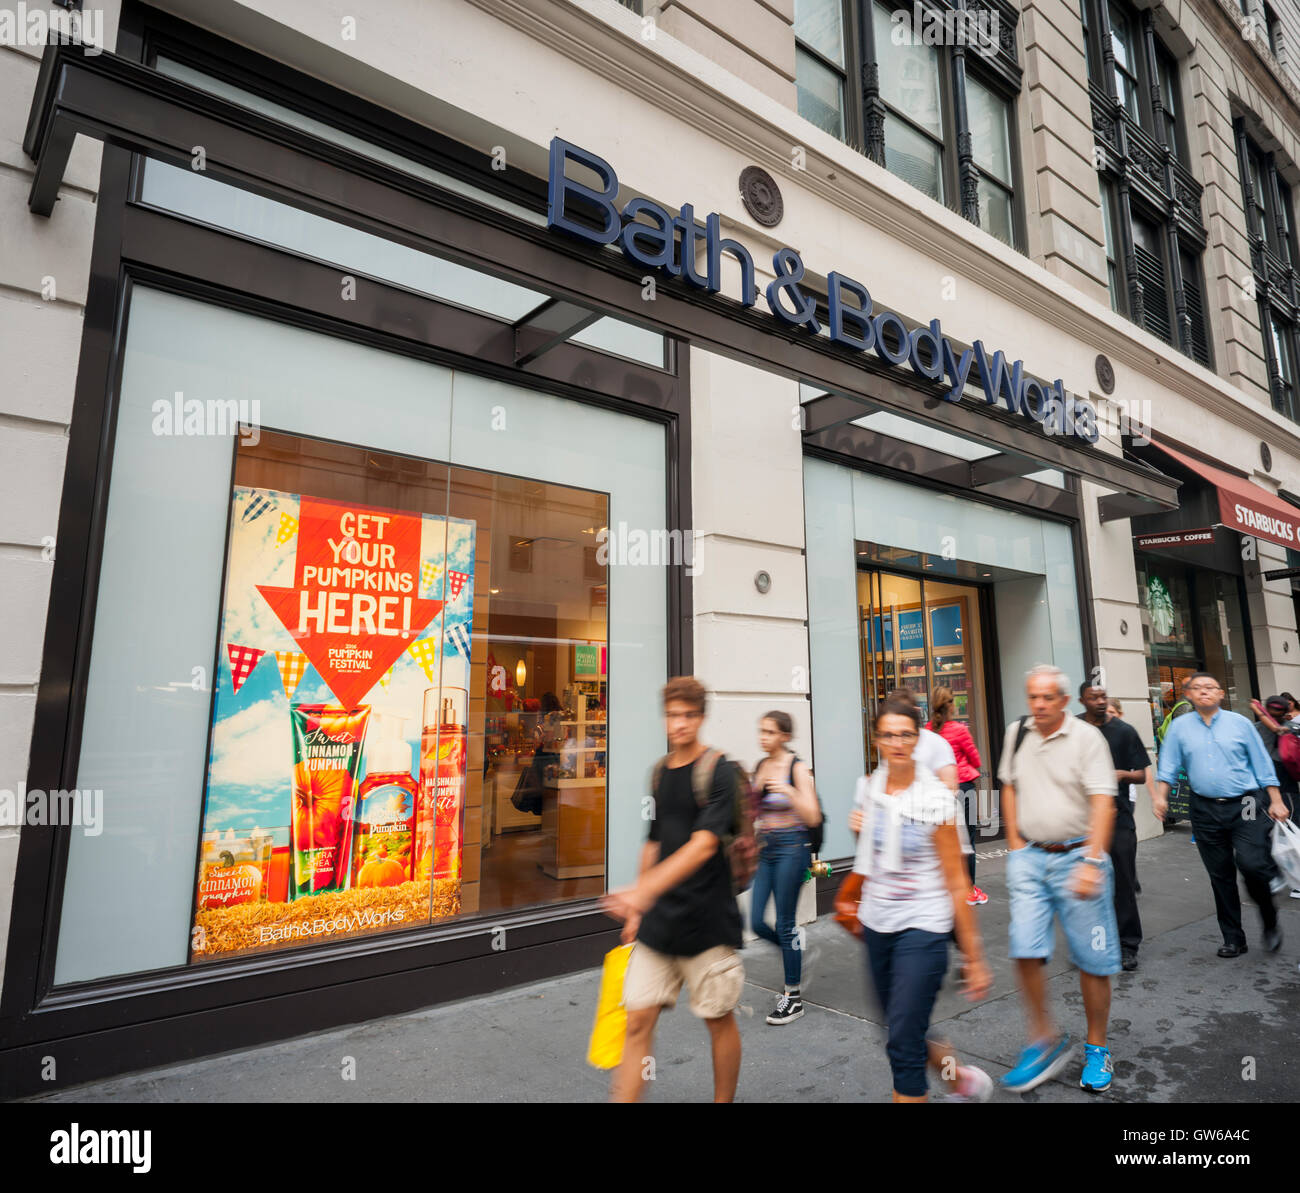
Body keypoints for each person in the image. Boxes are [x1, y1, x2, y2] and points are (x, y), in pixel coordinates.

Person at [834, 694, 993, 1102]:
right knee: (901, 1027)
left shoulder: (936, 797)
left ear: (917, 738)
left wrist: (973, 957)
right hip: (877, 924)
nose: (897, 743)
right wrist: (858, 834)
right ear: (876, 740)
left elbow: (957, 881)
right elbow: (871, 859)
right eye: (888, 736)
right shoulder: (868, 789)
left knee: (902, 1044)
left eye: (906, 735)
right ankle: (958, 1079)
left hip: (924, 925)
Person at [602, 676, 745, 1102]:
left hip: (706, 920)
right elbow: (654, 840)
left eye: (687, 715)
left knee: (717, 1019)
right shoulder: (660, 772)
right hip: (660, 921)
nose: (678, 724)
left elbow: (703, 846)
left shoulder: (720, 771)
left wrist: (643, 892)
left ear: (700, 717)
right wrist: (637, 910)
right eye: (672, 715)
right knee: (637, 1021)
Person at [998, 664, 1121, 1094]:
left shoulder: (1087, 738)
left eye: (1048, 697)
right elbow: (1008, 786)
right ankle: (1042, 1037)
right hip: (1031, 857)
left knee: (1093, 960)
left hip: (1078, 855)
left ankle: (1097, 1047)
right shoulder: (1018, 733)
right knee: (1025, 950)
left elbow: (1103, 800)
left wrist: (1092, 860)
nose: (1039, 705)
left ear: (1065, 701)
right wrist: (1014, 845)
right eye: (1033, 696)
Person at [1156, 673, 1290, 959]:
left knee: (1252, 863)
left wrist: (1276, 800)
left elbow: (1262, 763)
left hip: (1246, 803)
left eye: (1210, 688)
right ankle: (1233, 938)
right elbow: (1167, 766)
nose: (1204, 692)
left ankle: (1270, 920)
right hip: (1203, 808)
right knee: (1221, 875)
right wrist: (1160, 796)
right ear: (1188, 694)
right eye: (1197, 688)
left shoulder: (1240, 724)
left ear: (1220, 695)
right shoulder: (1179, 728)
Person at [750, 710, 822, 1025]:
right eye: (761, 731)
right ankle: (794, 953)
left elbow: (813, 817)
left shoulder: (797, 768)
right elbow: (753, 812)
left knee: (784, 921)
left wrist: (789, 791)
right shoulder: (761, 766)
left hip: (792, 850)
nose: (763, 737)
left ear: (784, 736)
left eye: (769, 732)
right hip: (767, 850)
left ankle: (793, 997)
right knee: (755, 921)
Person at [1079, 680, 1151, 971]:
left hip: (1118, 817)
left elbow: (1142, 776)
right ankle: (1092, 943)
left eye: (1103, 696)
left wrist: (1121, 774)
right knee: (1086, 884)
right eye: (1093, 697)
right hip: (1081, 819)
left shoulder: (1124, 731)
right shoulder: (1074, 730)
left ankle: (1128, 945)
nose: (1099, 701)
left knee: (1122, 882)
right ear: (1082, 701)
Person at [926, 686, 987, 907]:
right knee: (967, 840)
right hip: (962, 788)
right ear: (950, 705)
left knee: (941, 839)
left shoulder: (928, 730)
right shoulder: (960, 730)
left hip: (937, 791)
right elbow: (976, 759)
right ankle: (969, 889)